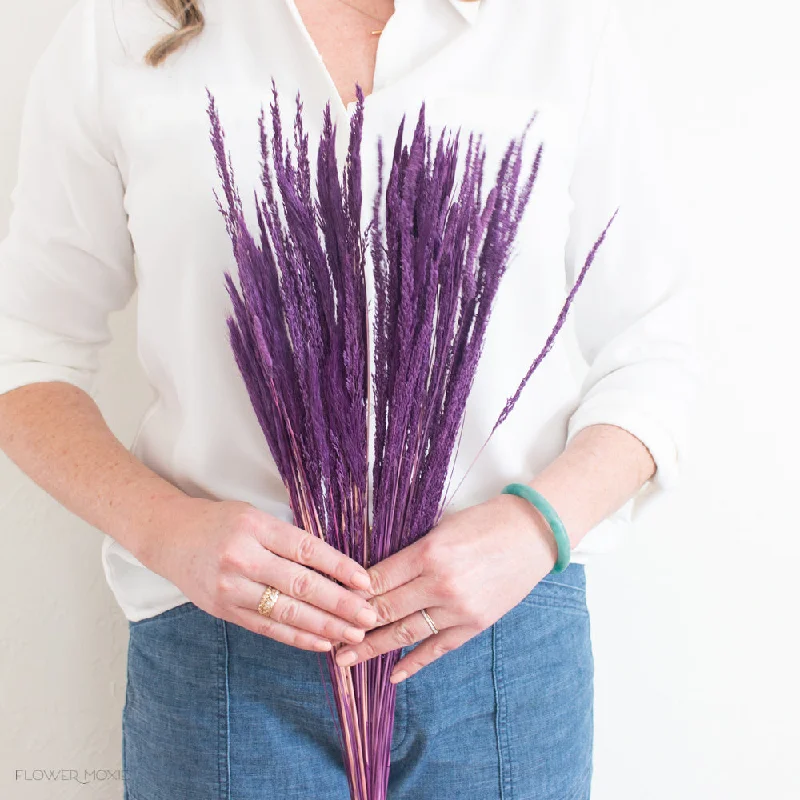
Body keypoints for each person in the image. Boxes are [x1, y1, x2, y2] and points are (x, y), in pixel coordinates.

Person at [0, 0, 701, 798]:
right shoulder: (123, 28)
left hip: (501, 643)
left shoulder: (557, 28)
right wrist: (162, 527)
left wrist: (532, 528)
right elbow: (26, 352)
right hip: (226, 653)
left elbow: (655, 347)